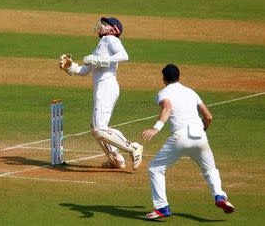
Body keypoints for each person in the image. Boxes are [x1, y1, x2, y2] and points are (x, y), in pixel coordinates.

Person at [142, 64, 235, 219]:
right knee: (210, 169)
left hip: (179, 138)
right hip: (200, 136)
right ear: (179, 76)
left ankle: (162, 207)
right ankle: (219, 196)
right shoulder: (191, 92)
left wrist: (156, 128)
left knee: (155, 168)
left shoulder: (163, 93)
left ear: (163, 78)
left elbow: (168, 107)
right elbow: (208, 117)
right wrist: (201, 132)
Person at [59, 17, 143, 170]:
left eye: (105, 24)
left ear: (113, 29)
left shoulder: (110, 39)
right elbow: (85, 71)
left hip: (107, 86)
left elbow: (124, 55)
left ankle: (133, 148)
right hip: (101, 87)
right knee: (96, 127)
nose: (101, 25)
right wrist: (70, 67)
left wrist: (99, 60)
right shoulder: (100, 45)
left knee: (99, 129)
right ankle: (116, 159)